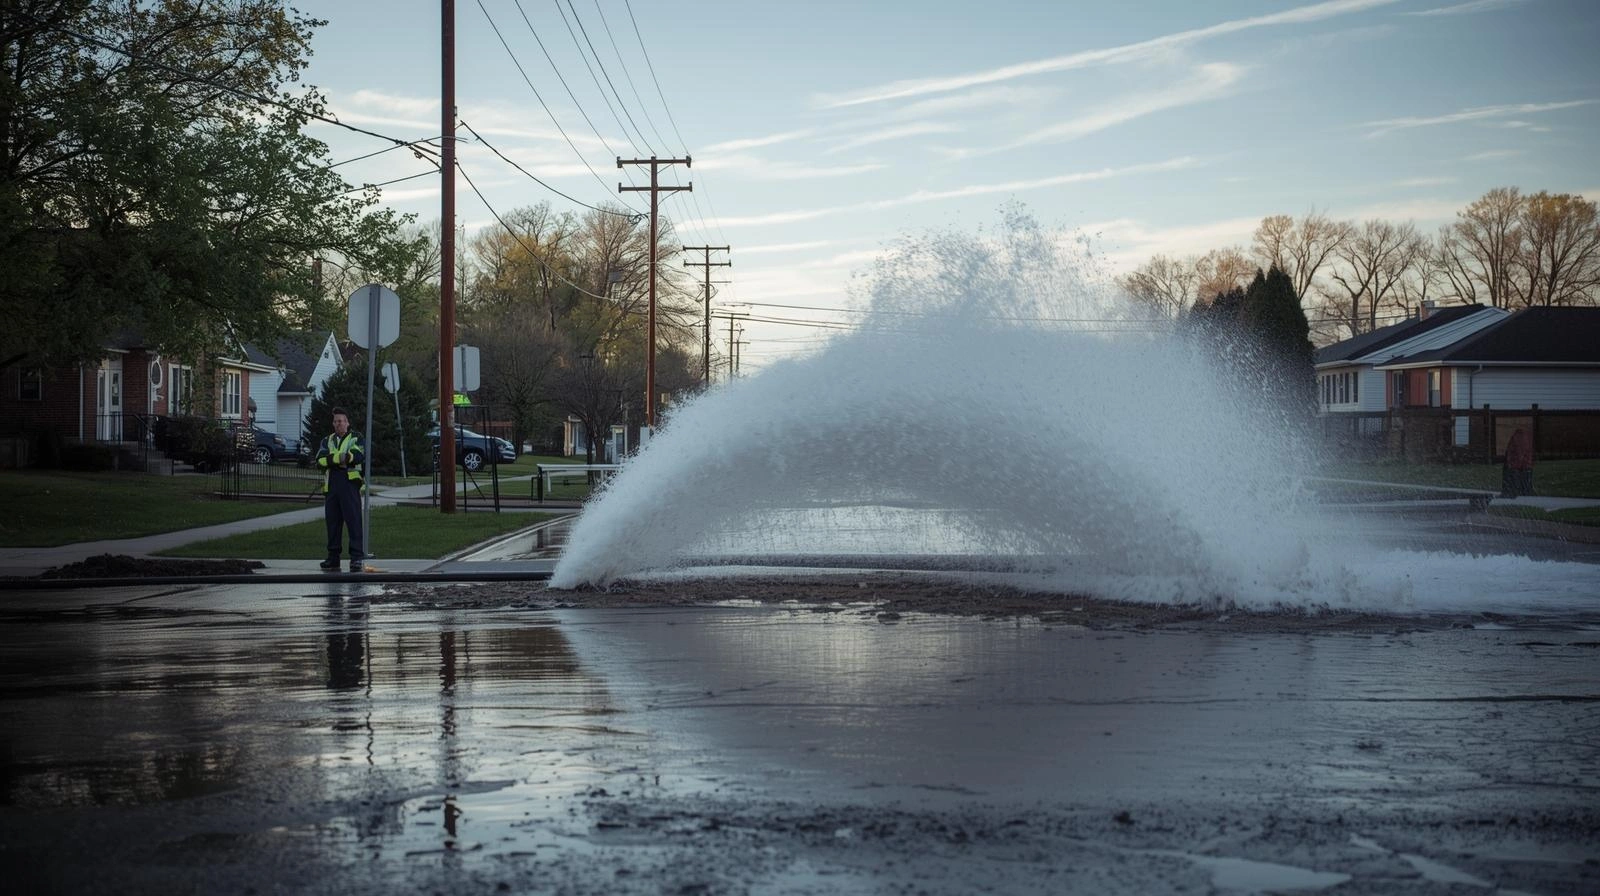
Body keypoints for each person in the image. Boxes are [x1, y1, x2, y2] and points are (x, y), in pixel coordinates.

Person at [316, 407, 366, 571]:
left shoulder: (356, 437)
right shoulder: (327, 440)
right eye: (336, 421)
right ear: (333, 423)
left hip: (350, 483)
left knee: (353, 521)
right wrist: (341, 459)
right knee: (333, 523)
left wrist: (332, 460)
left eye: (342, 421)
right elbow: (319, 461)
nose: (339, 424)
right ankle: (333, 558)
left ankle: (356, 558)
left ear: (347, 423)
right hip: (332, 485)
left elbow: (357, 456)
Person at [1501, 426, 1534, 498]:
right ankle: (1523, 493)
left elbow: (1519, 454)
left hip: (1516, 466)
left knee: (1513, 479)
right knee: (1525, 482)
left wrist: (1513, 464)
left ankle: (1510, 492)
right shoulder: (1522, 437)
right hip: (1524, 466)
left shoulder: (1517, 437)